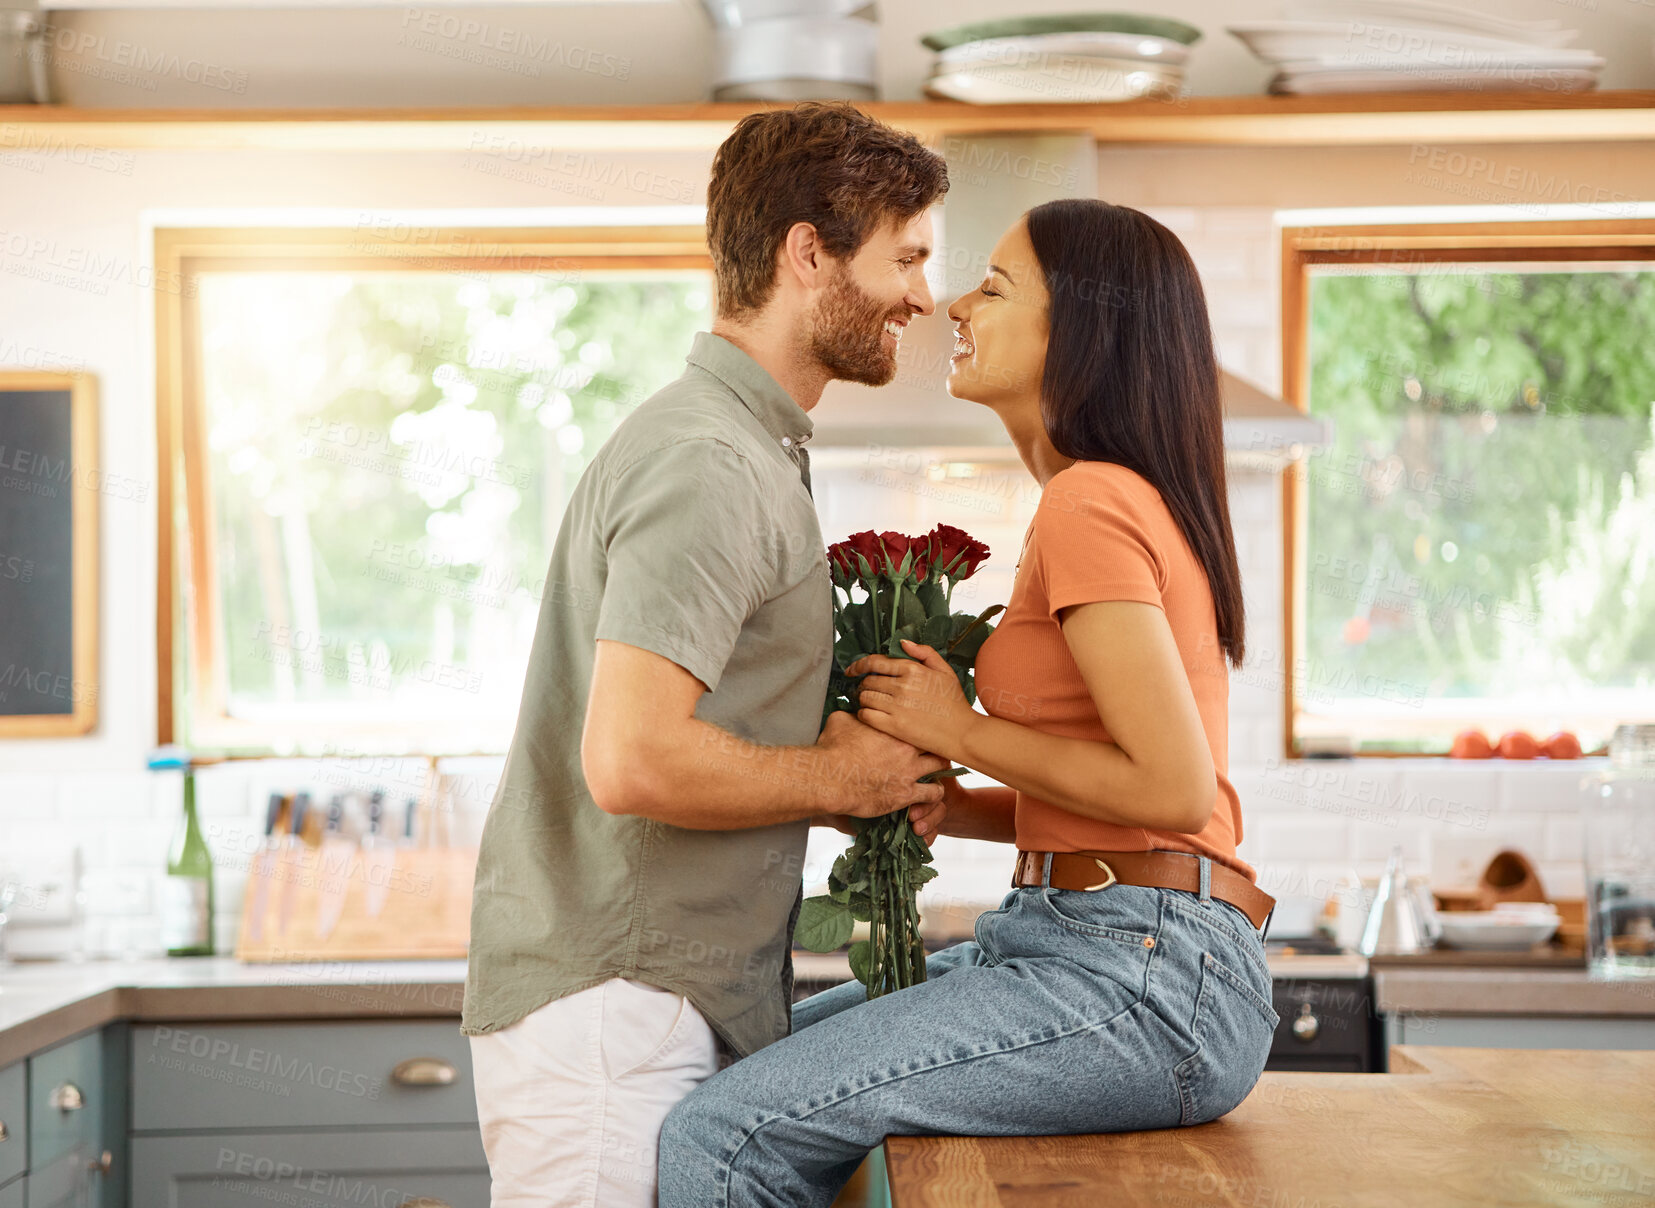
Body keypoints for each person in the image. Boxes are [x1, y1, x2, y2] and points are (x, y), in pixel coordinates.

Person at [658, 199, 1280, 1207]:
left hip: (1143, 972)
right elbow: (1117, 795)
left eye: (993, 286)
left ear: (1079, 328)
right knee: (740, 1088)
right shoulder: (1093, 499)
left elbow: (1172, 787)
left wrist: (959, 729)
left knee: (722, 1134)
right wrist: (965, 802)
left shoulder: (1092, 499)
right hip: (1095, 942)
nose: (952, 301)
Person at [460, 102, 951, 1207]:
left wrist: (858, 780)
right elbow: (631, 759)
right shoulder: (712, 462)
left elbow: (696, 733)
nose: (922, 296)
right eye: (905, 258)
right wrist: (836, 776)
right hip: (613, 1012)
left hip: (643, 1003)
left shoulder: (742, 446)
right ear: (805, 252)